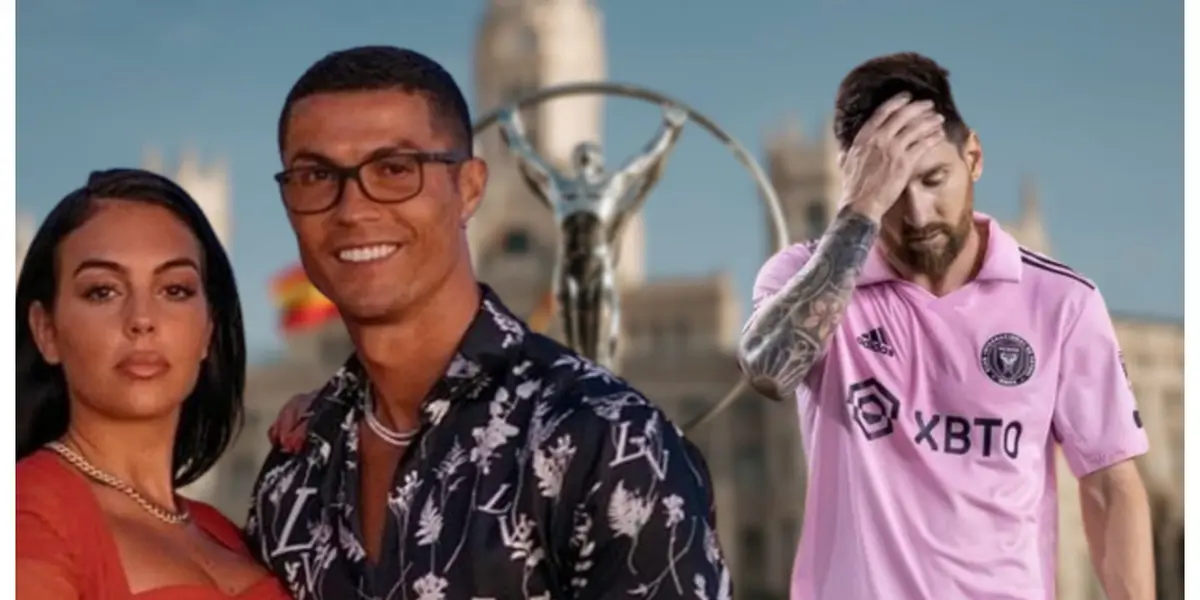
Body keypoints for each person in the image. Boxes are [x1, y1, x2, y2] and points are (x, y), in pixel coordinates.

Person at [246, 45, 730, 600]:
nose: (353, 209)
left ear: (470, 188)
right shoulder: (294, 472)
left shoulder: (607, 441)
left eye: (395, 169)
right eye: (315, 175)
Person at [738, 52, 1155, 600]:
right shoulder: (804, 279)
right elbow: (768, 370)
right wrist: (860, 210)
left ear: (973, 157)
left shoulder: (1061, 302)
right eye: (892, 190)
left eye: (934, 179)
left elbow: (1109, 486)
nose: (918, 213)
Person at [15, 169, 291, 599]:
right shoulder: (26, 514)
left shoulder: (230, 534)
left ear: (208, 330)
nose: (142, 319)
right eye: (103, 291)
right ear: (46, 331)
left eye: (175, 290)